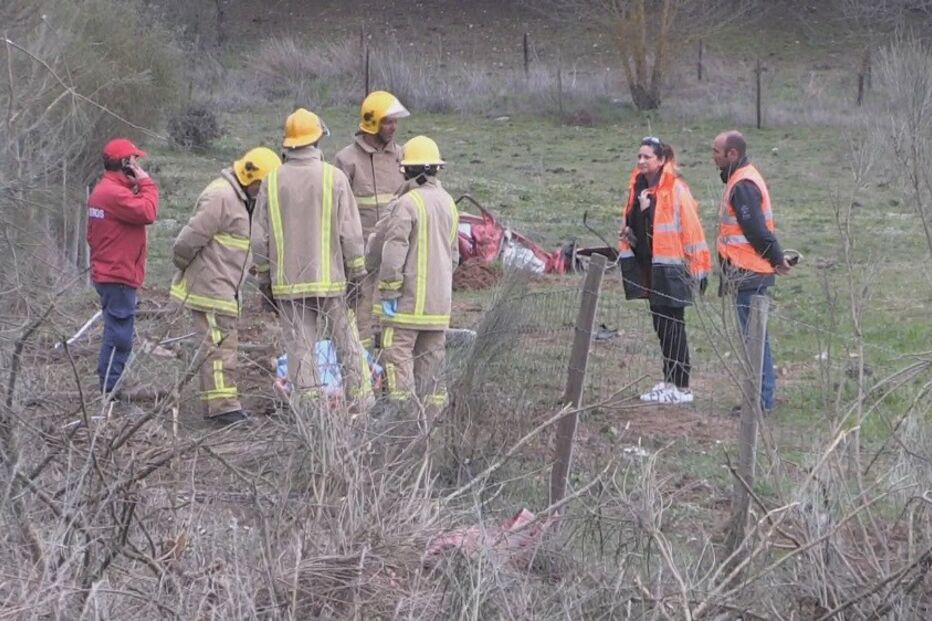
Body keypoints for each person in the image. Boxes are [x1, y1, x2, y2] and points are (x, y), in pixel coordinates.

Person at [251, 108, 373, 411]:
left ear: (289, 143)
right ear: (317, 139)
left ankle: (310, 413)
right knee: (348, 344)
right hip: (332, 281)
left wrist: (265, 281)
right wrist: (357, 275)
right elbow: (352, 235)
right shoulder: (335, 178)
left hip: (288, 284)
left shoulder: (271, 181)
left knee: (300, 351)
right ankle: (362, 404)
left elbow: (259, 239)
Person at [170, 147, 282, 426]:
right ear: (252, 179)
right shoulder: (221, 196)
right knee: (221, 349)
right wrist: (186, 267)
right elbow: (188, 241)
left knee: (217, 347)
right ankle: (224, 409)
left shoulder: (244, 200)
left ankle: (218, 405)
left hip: (224, 288)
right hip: (211, 289)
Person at [366, 135, 459, 419]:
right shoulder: (448, 203)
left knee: (398, 358)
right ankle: (430, 423)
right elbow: (453, 257)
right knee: (432, 366)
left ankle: (403, 421)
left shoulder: (406, 204)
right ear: (435, 170)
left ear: (407, 170)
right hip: (438, 307)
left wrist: (389, 292)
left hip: (405, 307)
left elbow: (392, 254)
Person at [619, 136, 711, 405]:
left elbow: (690, 230)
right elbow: (642, 229)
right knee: (661, 325)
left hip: (673, 269)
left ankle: (681, 386)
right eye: (639, 156)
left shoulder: (675, 190)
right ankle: (670, 380)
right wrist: (630, 233)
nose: (641, 161)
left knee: (673, 326)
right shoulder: (638, 189)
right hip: (651, 268)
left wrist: (697, 268)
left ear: (660, 160)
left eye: (647, 157)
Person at [712, 130, 792, 413]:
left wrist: (777, 258)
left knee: (755, 339)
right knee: (755, 338)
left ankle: (760, 401)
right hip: (748, 272)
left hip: (749, 272)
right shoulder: (742, 178)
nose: (714, 158)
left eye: (717, 152)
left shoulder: (743, 184)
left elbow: (756, 231)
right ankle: (760, 399)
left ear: (732, 154)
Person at [334, 90, 409, 352]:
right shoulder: (346, 160)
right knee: (361, 318)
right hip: (360, 259)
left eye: (395, 121)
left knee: (393, 321)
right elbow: (338, 213)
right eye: (388, 121)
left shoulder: (403, 156)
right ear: (372, 122)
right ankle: (363, 374)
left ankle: (389, 370)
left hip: (395, 256)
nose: (394, 127)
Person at [86, 138, 159, 397]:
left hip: (111, 273)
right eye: (135, 160)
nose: (139, 164)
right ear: (126, 164)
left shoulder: (105, 190)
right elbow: (148, 212)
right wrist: (146, 182)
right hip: (117, 275)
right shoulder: (114, 194)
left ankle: (110, 385)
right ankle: (111, 389)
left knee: (116, 330)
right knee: (120, 337)